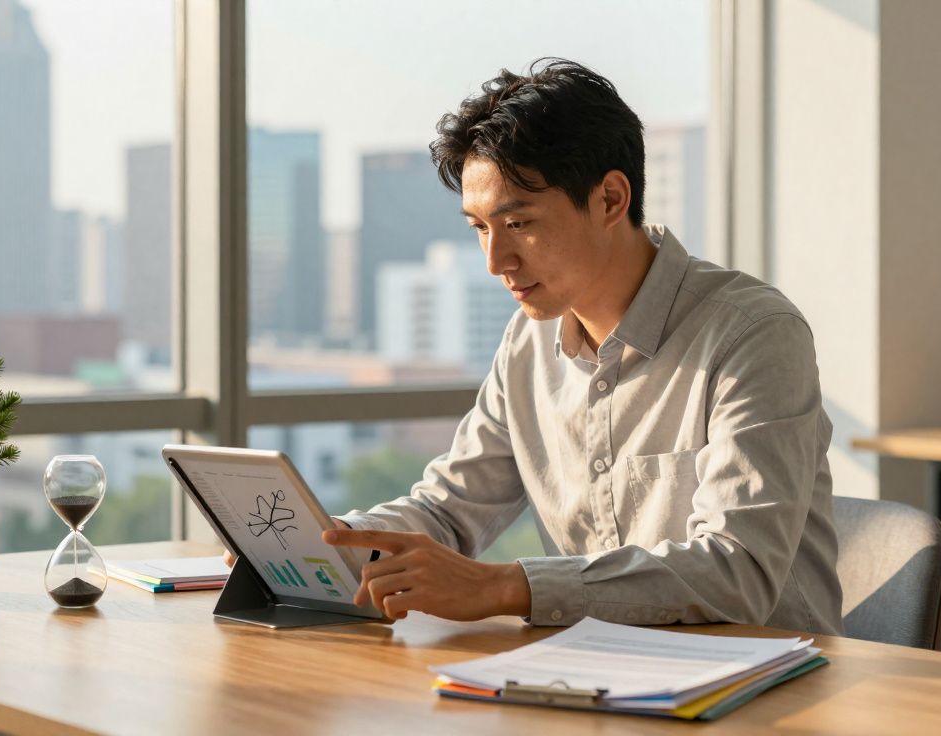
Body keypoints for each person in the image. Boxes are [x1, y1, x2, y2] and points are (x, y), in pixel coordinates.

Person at [234, 58, 843, 634]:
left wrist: (505, 587)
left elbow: (739, 570)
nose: (497, 260)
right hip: (599, 676)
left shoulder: (753, 334)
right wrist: (332, 543)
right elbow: (450, 511)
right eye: (480, 229)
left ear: (610, 199)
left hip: (765, 684)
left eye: (519, 223)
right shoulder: (529, 339)